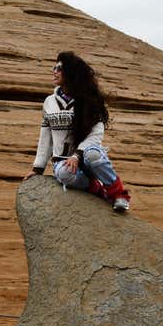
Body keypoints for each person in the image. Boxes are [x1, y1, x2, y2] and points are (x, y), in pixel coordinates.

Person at [24, 51, 131, 212]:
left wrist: (77, 155)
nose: (54, 71)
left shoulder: (89, 100)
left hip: (87, 156)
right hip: (62, 160)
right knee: (64, 174)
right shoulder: (49, 102)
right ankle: (98, 190)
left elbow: (96, 133)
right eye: (54, 67)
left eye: (59, 68)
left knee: (94, 155)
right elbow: (45, 137)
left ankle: (119, 194)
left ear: (71, 73)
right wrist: (37, 168)